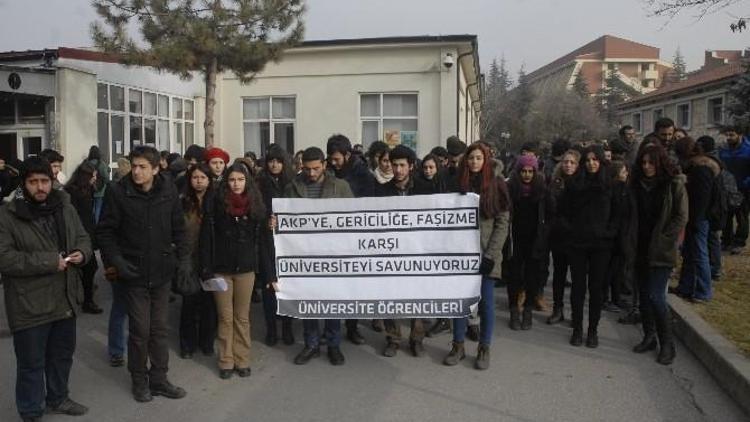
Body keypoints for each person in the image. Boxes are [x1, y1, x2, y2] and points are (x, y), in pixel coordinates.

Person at [0, 157, 93, 421]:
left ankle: (58, 398)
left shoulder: (63, 206)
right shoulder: (8, 215)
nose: (40, 187)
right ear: (23, 184)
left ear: (52, 182)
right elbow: (4, 258)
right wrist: (50, 261)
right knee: (31, 364)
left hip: (64, 299)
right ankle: (30, 412)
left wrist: (82, 254)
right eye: (33, 182)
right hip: (29, 304)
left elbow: (84, 237)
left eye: (44, 181)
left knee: (62, 356)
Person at [96, 145, 188, 402]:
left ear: (156, 169)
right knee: (140, 331)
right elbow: (105, 232)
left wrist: (184, 262)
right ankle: (139, 380)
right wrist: (116, 261)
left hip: (161, 272)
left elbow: (179, 229)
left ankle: (159, 378)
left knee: (159, 330)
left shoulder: (168, 189)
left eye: (142, 167)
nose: (136, 171)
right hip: (133, 273)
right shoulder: (118, 191)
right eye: (133, 166)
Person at [284, 147, 354, 366]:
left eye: (315, 168)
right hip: (303, 255)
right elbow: (283, 216)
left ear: (324, 165)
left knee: (332, 301)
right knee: (309, 301)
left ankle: (333, 345)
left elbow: (353, 217)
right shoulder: (293, 187)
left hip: (332, 254)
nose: (311, 174)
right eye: (307, 169)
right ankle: (311, 344)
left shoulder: (340, 187)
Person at [443, 143, 510, 370]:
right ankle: (458, 345)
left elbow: (502, 223)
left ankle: (484, 348)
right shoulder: (457, 184)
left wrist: (490, 255)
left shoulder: (497, 184)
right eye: (471, 158)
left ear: (486, 159)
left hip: (486, 254)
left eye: (479, 158)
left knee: (486, 303)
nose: (474, 162)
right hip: (461, 255)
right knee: (460, 303)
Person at [200, 163, 265, 379]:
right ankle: (226, 360)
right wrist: (206, 267)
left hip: (246, 269)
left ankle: (242, 359)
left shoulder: (255, 206)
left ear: (247, 182)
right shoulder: (216, 204)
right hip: (221, 270)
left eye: (240, 180)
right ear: (226, 182)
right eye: (232, 180)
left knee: (242, 317)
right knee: (225, 317)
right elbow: (206, 238)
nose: (236, 184)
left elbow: (263, 238)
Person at [376, 145, 436, 357]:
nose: (398, 169)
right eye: (395, 165)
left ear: (411, 166)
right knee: (389, 296)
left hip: (418, 252)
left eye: (402, 165)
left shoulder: (426, 189)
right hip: (391, 254)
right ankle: (393, 338)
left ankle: (416, 339)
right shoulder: (381, 191)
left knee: (417, 296)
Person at [631, 144, 688, 365]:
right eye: (643, 163)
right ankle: (649, 336)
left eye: (651, 163)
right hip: (639, 246)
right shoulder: (636, 184)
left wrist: (665, 238)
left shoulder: (674, 185)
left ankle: (667, 344)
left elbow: (681, 217)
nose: (647, 167)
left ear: (660, 163)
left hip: (661, 248)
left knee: (656, 296)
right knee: (644, 296)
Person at [559, 144, 619, 348]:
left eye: (595, 160)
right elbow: (563, 211)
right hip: (577, 243)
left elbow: (617, 215)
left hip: (601, 245)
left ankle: (592, 330)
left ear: (601, 162)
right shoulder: (574, 184)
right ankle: (577, 328)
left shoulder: (610, 185)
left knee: (596, 289)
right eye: (588, 160)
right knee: (578, 288)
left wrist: (608, 233)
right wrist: (571, 230)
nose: (592, 163)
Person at [327, 134, 377, 344]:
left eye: (337, 158)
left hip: (356, 238)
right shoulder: (329, 173)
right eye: (331, 158)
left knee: (352, 286)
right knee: (332, 286)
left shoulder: (363, 175)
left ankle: (352, 326)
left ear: (347, 155)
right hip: (333, 238)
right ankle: (331, 328)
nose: (333, 162)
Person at [256, 145, 296, 347]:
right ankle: (271, 329)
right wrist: (266, 221)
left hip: (288, 242)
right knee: (268, 286)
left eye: (278, 161)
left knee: (286, 286)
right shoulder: (259, 183)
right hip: (266, 240)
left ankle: (287, 328)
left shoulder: (292, 183)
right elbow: (255, 209)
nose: (274, 164)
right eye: (271, 160)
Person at [673, 137, 720, 303]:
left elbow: (702, 198)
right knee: (690, 253)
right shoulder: (696, 166)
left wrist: (693, 219)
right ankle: (685, 286)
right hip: (695, 217)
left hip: (699, 218)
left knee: (700, 254)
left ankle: (703, 291)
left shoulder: (701, 169)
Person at [506, 154, 550, 331]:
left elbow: (550, 213)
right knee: (513, 277)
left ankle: (528, 310)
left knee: (532, 276)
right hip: (514, 239)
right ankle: (514, 310)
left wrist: (545, 234)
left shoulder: (541, 190)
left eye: (530, 171)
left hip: (535, 239)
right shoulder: (511, 188)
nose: (527, 175)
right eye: (523, 171)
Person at [178, 163, 217, 359]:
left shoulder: (217, 201)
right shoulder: (183, 202)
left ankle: (207, 342)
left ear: (209, 180)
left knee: (209, 304)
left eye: (203, 177)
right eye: (195, 177)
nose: (199, 181)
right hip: (188, 258)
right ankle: (187, 344)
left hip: (210, 258)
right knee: (189, 302)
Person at [64, 162, 103, 314]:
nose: (95, 179)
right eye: (92, 176)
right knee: (89, 266)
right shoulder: (72, 193)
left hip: (87, 234)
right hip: (79, 235)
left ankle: (85, 295)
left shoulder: (87, 190)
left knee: (89, 267)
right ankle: (87, 300)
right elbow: (77, 217)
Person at [547, 150, 580, 324]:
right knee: (559, 276)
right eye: (566, 162)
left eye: (572, 162)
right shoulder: (555, 183)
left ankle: (576, 313)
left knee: (577, 277)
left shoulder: (582, 183)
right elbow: (551, 208)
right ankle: (557, 309)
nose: (568, 165)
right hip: (558, 235)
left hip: (577, 237)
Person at [719, 126, 750, 255]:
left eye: (732, 135)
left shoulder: (747, 150)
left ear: (740, 135)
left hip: (744, 188)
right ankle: (726, 241)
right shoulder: (723, 150)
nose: (729, 138)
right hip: (727, 188)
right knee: (726, 215)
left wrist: (746, 182)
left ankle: (739, 242)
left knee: (742, 216)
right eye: (727, 135)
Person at [87, 145, 110, 222]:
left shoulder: (86, 163)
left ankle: (91, 224)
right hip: (100, 190)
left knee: (91, 208)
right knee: (98, 208)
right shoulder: (101, 163)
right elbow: (106, 177)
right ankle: (97, 225)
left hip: (89, 189)